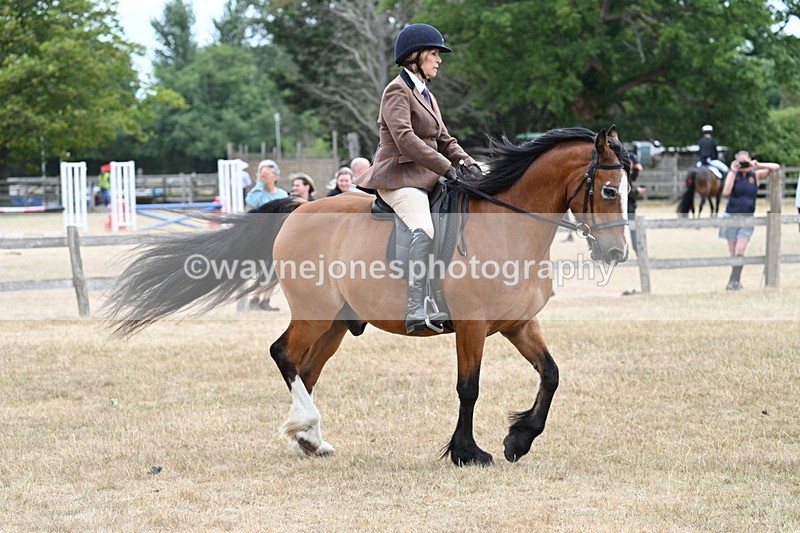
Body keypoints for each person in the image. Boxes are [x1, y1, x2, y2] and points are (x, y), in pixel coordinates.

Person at [354, 23, 479, 334]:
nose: (439, 60)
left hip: (425, 178)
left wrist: (467, 162)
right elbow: (405, 139)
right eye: (434, 54)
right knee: (424, 228)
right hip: (398, 178)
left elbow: (445, 139)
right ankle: (416, 307)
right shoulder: (396, 90)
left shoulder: (427, 95)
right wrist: (445, 167)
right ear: (415, 56)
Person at [719, 150, 780, 290]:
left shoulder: (755, 175)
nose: (744, 165)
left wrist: (758, 165)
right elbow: (726, 192)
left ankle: (733, 281)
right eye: (741, 162)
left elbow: (776, 167)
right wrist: (732, 171)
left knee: (740, 249)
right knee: (732, 253)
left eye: (745, 162)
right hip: (731, 216)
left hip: (747, 217)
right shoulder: (733, 175)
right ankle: (736, 282)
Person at [246, 159, 288, 311]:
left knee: (276, 270)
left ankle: (263, 300)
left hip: (278, 236)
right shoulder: (257, 193)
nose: (263, 177)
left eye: (266, 174)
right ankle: (256, 298)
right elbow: (252, 202)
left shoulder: (283, 194)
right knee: (268, 269)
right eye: (261, 174)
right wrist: (259, 184)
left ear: (275, 176)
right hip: (261, 237)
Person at [626, 147, 646, 252]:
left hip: (629, 208)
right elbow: (628, 193)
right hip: (626, 208)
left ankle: (638, 250)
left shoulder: (627, 174)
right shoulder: (623, 175)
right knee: (633, 231)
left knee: (633, 231)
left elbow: (633, 177)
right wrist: (638, 191)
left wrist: (636, 169)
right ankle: (638, 251)